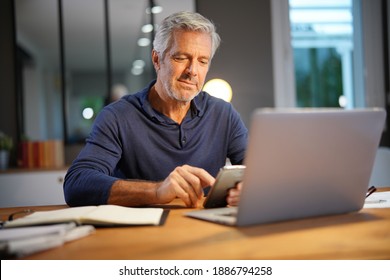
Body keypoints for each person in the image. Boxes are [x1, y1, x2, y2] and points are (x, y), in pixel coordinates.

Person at [64, 11, 247, 208]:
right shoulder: (117, 117)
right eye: (181, 57)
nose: (192, 71)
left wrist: (249, 187)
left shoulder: (224, 114)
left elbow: (260, 171)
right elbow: (77, 183)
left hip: (206, 229)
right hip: (143, 233)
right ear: (157, 59)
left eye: (202, 61)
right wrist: (158, 191)